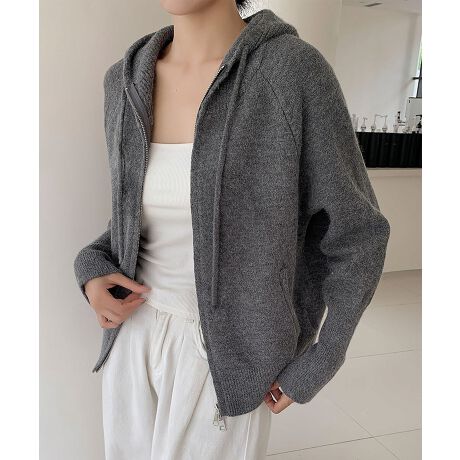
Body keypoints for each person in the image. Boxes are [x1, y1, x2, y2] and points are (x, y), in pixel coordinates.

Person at [73, 1, 391, 459]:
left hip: (229, 357)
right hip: (131, 340)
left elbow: (358, 236)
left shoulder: (292, 73)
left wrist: (323, 357)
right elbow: (139, 220)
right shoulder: (124, 81)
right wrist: (91, 268)